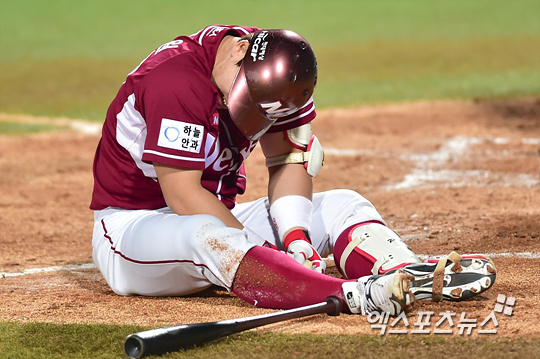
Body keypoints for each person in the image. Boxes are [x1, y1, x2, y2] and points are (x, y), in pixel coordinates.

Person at [90, 24, 496, 317]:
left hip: (213, 215)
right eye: (244, 99)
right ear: (238, 50)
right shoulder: (174, 82)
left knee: (343, 205)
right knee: (206, 235)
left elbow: (287, 158)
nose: (249, 111)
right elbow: (182, 196)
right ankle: (352, 294)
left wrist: (296, 239)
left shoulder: (282, 77)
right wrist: (264, 250)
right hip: (132, 231)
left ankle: (406, 275)